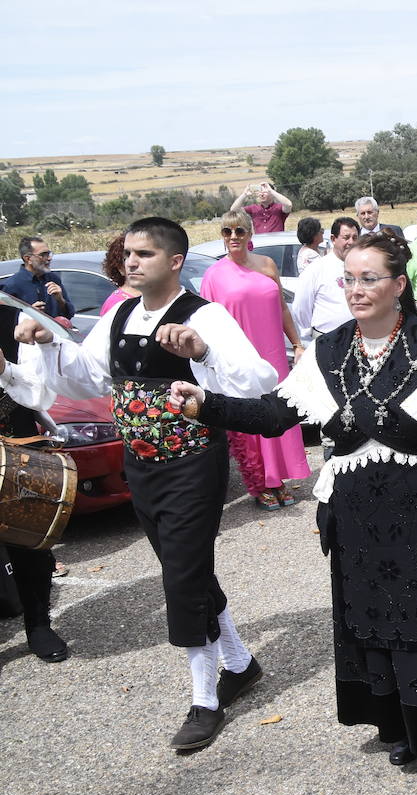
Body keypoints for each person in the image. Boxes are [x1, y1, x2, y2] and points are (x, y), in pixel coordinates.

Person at [170, 233, 417, 792]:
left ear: (400, 285)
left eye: (369, 278)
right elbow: (276, 414)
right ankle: (399, 724)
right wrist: (207, 405)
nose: (355, 289)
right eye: (348, 278)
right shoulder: (327, 349)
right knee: (375, 619)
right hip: (358, 509)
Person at [16, 217, 278, 751]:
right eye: (129, 254)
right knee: (187, 570)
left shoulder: (204, 316)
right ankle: (241, 663)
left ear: (175, 261)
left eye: (145, 254)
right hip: (142, 466)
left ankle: (205, 700)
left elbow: (259, 381)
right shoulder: (121, 314)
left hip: (192, 462)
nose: (131, 262)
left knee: (181, 576)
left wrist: (201, 352)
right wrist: (49, 341)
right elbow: (85, 376)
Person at [200, 210, 310, 510]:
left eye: (239, 231)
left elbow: (282, 309)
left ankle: (278, 479)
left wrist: (297, 344)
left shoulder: (267, 264)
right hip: (239, 357)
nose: (233, 237)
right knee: (247, 416)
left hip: (273, 352)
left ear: (250, 234)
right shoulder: (214, 275)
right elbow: (206, 323)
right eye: (227, 231)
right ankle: (259, 484)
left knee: (277, 412)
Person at [0, 306, 69, 663]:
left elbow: (43, 396)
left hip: (19, 455)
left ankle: (38, 624)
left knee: (29, 548)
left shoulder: (15, 321)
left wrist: (4, 370)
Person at [292, 217, 360, 346]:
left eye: (355, 238)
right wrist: (308, 330)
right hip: (328, 340)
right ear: (334, 239)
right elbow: (301, 305)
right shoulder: (317, 268)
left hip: (360, 339)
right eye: (346, 237)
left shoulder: (364, 267)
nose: (351, 242)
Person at [2, 237, 72, 320]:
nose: (49, 258)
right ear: (28, 259)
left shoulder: (53, 278)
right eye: (43, 255)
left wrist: (60, 300)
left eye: (48, 254)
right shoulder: (11, 286)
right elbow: (5, 323)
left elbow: (69, 314)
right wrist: (29, 313)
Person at [99, 233, 139, 316]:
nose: (134, 264)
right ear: (120, 268)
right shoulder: (116, 304)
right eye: (127, 258)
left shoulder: (153, 297)